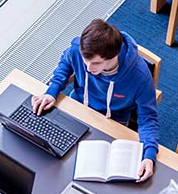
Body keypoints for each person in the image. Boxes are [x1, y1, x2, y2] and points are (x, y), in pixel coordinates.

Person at [32, 19, 159, 182]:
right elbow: (66, 62)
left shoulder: (140, 77)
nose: (88, 69)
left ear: (113, 56)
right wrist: (51, 92)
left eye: (96, 63)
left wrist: (149, 155)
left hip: (113, 122)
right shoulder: (79, 50)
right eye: (86, 61)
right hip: (78, 109)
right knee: (51, 161)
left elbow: (148, 119)